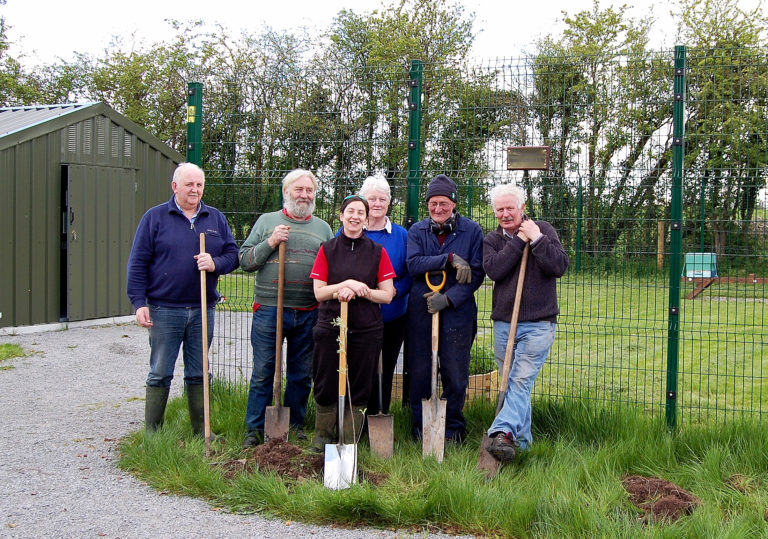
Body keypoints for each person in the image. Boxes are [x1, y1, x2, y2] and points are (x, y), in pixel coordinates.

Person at [127, 162, 239, 436]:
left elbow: (233, 255)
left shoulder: (215, 219)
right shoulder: (155, 218)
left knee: (199, 372)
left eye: (199, 185)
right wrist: (139, 303)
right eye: (189, 184)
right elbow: (138, 262)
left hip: (203, 308)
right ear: (175, 186)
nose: (195, 189)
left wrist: (214, 263)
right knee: (160, 372)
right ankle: (153, 433)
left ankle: (202, 431)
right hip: (165, 309)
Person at [239, 169, 333, 448]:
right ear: (286, 192)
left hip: (308, 310)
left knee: (301, 374)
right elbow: (244, 260)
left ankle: (295, 426)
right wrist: (270, 242)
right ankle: (253, 430)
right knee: (264, 370)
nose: (304, 195)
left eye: (309, 191)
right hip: (270, 309)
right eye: (298, 190)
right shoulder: (267, 222)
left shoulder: (323, 228)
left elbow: (329, 266)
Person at [482, 183, 569, 462]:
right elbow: (495, 270)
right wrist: (519, 242)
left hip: (539, 323)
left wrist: (538, 240)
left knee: (520, 380)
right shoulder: (493, 240)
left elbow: (559, 266)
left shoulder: (543, 229)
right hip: (505, 323)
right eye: (500, 209)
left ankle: (502, 431)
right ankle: (523, 446)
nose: (505, 214)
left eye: (510, 208)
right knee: (512, 384)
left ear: (522, 207)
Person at [309, 195, 396, 452]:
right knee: (325, 380)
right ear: (341, 216)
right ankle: (323, 437)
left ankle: (349, 441)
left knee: (359, 384)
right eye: (350, 211)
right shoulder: (327, 249)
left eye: (361, 213)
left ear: (367, 219)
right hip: (330, 326)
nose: (355, 216)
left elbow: (387, 295)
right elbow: (319, 292)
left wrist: (362, 291)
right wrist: (344, 285)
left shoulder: (377, 252)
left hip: (366, 329)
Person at [406, 174, 485, 443]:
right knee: (419, 371)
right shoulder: (417, 231)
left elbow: (475, 274)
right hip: (421, 310)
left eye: (444, 203)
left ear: (454, 203)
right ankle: (421, 429)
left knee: (454, 372)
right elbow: (413, 264)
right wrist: (448, 258)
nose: (438, 209)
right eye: (432, 203)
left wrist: (449, 299)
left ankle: (452, 430)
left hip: (457, 313)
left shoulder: (472, 231)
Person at [345, 176, 411, 418]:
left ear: (389, 202)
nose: (377, 203)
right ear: (363, 201)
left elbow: (410, 270)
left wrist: (397, 290)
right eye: (372, 198)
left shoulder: (401, 235)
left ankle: (379, 414)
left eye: (383, 199)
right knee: (360, 367)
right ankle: (356, 418)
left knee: (386, 366)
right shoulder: (351, 232)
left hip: (392, 314)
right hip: (357, 315)